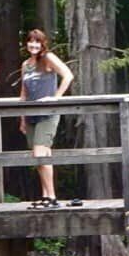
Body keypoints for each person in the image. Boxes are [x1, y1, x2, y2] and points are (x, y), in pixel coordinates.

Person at [18, 29, 74, 209]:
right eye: (31, 41)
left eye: (37, 42)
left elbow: (68, 75)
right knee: (40, 157)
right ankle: (45, 196)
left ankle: (52, 197)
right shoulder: (26, 64)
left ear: (43, 44)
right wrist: (22, 117)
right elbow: (24, 93)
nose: (33, 45)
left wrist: (55, 98)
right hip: (30, 114)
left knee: (40, 153)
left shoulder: (48, 58)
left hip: (47, 114)